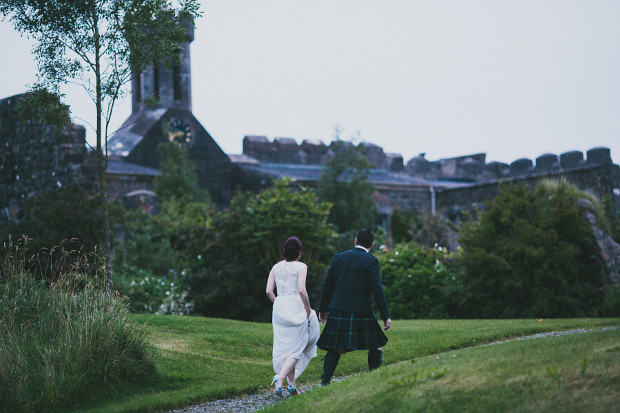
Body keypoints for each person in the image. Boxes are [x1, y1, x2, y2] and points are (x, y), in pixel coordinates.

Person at [317, 228, 391, 385]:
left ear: (355, 241)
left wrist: (323, 309)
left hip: (338, 309)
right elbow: (377, 290)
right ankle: (374, 379)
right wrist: (385, 316)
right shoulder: (371, 261)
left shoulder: (339, 257)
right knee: (376, 344)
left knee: (336, 348)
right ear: (372, 244)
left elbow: (327, 285)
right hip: (362, 311)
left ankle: (325, 382)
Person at [266, 236, 320, 397]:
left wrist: (278, 303)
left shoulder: (275, 267)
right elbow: (302, 290)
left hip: (280, 308)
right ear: (299, 252)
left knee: (287, 348)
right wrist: (308, 309)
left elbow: (268, 291)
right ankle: (280, 378)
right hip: (296, 307)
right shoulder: (301, 266)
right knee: (298, 347)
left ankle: (292, 386)